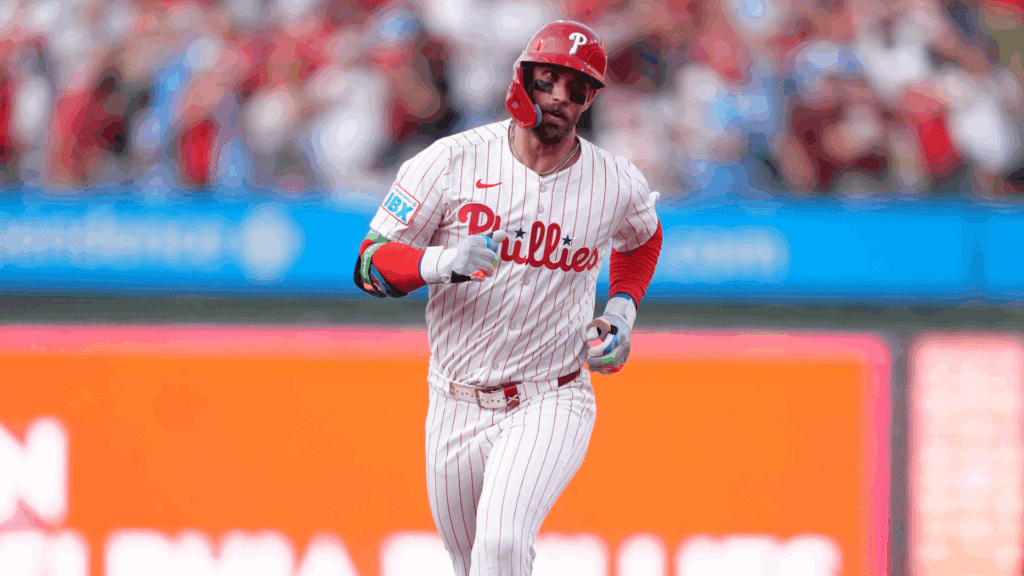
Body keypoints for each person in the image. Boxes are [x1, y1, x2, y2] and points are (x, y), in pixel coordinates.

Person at [352, 20, 662, 576]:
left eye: (578, 89)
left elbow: (643, 236)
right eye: (550, 80)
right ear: (522, 79)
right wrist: (437, 262)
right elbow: (369, 263)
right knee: (471, 565)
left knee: (500, 546)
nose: (561, 98)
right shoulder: (449, 161)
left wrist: (620, 312)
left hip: (552, 393)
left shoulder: (615, 181)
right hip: (453, 398)